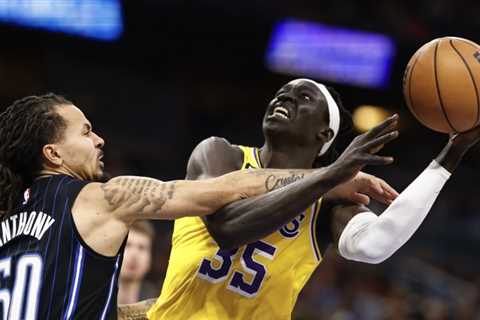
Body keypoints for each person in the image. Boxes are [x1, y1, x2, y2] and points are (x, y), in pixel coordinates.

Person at [0, 93, 395, 319]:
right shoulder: (101, 198)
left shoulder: (7, 219)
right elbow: (228, 188)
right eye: (86, 132)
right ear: (52, 153)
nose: (99, 139)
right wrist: (330, 176)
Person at [146, 78, 480, 320]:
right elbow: (227, 227)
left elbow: (375, 246)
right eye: (281, 93)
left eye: (302, 97)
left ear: (325, 134)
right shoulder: (221, 155)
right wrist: (332, 175)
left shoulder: (329, 203)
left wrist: (451, 154)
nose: (285, 98)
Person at [118, 221, 157, 305]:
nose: (134, 254)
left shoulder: (160, 303)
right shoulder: (94, 300)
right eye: (127, 245)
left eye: (142, 248)